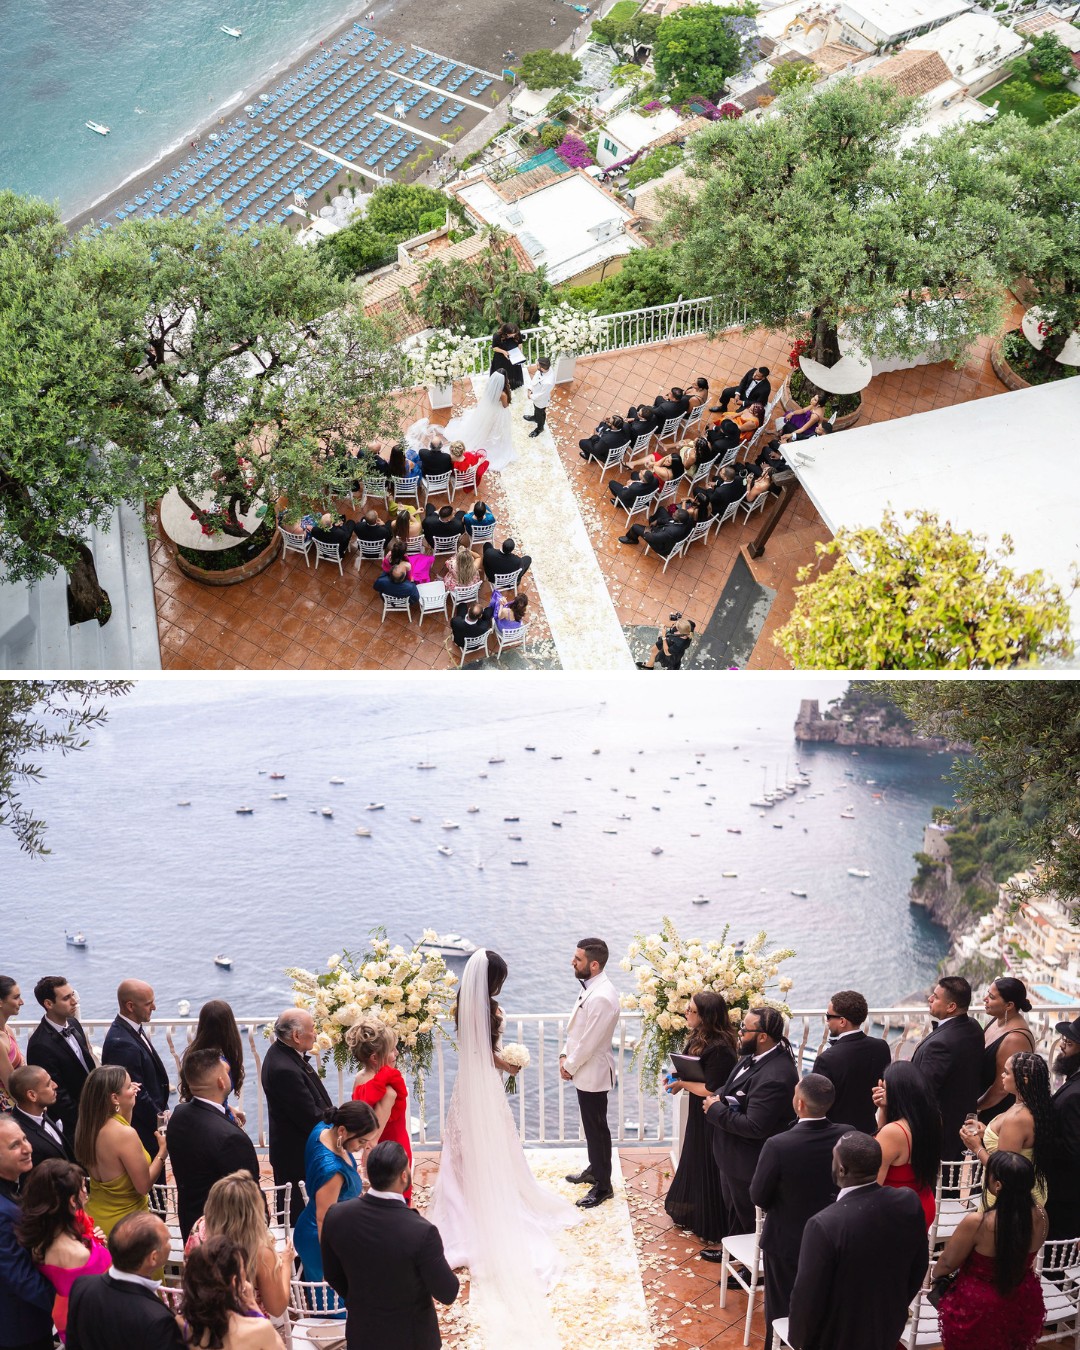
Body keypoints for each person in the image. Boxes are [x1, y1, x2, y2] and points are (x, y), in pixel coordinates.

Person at [426, 949, 578, 1347]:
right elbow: (486, 1053)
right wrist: (507, 1065)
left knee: (460, 1150)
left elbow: (472, 1050)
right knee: (489, 1144)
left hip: (468, 1085)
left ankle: (463, 1197)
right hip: (485, 1084)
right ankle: (487, 1198)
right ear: (491, 979)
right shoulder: (489, 1010)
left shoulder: (463, 1004)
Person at [787, 1132, 928, 1350]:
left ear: (841, 1169)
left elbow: (808, 1296)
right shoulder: (908, 1201)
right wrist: (895, 1307)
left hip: (837, 1337)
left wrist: (799, 1342)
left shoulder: (824, 1224)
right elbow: (919, 1266)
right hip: (887, 1326)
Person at [321, 1140, 459, 1350]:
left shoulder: (336, 1215)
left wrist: (360, 1300)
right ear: (404, 1175)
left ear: (368, 1174)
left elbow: (332, 1274)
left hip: (363, 1334)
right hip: (412, 1340)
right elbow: (447, 1292)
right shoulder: (422, 1232)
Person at [749, 1074, 849, 1345]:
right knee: (824, 1305)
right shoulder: (847, 1135)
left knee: (781, 1308)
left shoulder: (778, 1144)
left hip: (786, 1243)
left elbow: (758, 1196)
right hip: (833, 1240)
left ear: (800, 1104)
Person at [933, 1150, 1047, 1350]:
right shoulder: (1041, 1214)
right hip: (1021, 1297)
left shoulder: (978, 1222)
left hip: (978, 1306)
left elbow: (947, 1262)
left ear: (997, 1185)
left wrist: (937, 1276)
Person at [704, 1006, 799, 1237]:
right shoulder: (752, 1055)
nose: (739, 1032)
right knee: (733, 1208)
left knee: (748, 1217)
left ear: (763, 1037)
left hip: (748, 1161)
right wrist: (718, 1095)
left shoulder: (775, 1075)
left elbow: (755, 1126)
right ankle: (732, 1248)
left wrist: (715, 1109)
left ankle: (751, 1270)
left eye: (744, 1029)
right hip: (732, 1156)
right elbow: (732, 1086)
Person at [663, 992, 738, 1242]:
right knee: (694, 1158)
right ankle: (694, 1214)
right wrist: (676, 1079)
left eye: (691, 1010)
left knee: (707, 1162)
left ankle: (712, 1224)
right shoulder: (699, 1036)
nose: (686, 1012)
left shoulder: (721, 1048)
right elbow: (692, 1069)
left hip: (711, 1110)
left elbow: (711, 1088)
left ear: (706, 1015)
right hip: (698, 1109)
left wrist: (683, 1083)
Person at [168, 1048, 261, 1242]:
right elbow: (250, 1196)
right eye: (226, 1072)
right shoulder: (230, 1138)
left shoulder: (179, 1114)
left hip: (190, 1224)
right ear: (221, 1082)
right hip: (224, 1236)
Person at [16, 1159, 111, 1343]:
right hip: (94, 1329)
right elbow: (106, 1296)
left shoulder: (42, 1237)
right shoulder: (77, 1254)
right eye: (83, 1188)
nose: (86, 1193)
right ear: (71, 1200)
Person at [559, 939, 622, 1210]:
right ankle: (595, 1170)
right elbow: (578, 1032)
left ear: (594, 965)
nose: (573, 962)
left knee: (597, 1129)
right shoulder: (592, 987)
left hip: (593, 1071)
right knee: (591, 1126)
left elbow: (590, 1041)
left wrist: (569, 1065)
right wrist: (565, 1054)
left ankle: (604, 1185)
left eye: (578, 959)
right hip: (584, 1069)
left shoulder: (602, 996)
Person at [74, 1066, 167, 1243]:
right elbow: (143, 1186)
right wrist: (162, 1152)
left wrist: (128, 1104)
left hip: (96, 1220)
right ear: (114, 1098)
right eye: (128, 1086)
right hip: (128, 1226)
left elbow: (122, 1123)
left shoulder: (88, 1127)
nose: (134, 1089)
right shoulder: (125, 1134)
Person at [65, 1212, 185, 1350]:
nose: (170, 1242)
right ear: (153, 1258)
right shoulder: (158, 1320)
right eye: (167, 1240)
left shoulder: (82, 1285)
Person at [293, 1102, 379, 1289]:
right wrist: (331, 1263)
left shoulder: (323, 1129)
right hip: (320, 1240)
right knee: (336, 1304)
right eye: (362, 1141)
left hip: (315, 1225)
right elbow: (324, 1219)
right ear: (342, 1131)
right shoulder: (333, 1172)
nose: (363, 1147)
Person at [185, 1172, 291, 1321]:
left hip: (204, 1319)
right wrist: (286, 1262)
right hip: (245, 1328)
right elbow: (277, 1308)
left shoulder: (200, 1225)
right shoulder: (259, 1251)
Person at [260, 1008, 332, 1224]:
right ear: (297, 1036)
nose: (316, 1034)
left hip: (294, 1151)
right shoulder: (284, 1069)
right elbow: (309, 1116)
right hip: (296, 1155)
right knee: (301, 1217)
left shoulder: (282, 1053)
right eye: (312, 1029)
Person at [959, 1051, 1052, 1206]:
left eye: (1007, 1072)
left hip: (1008, 1200)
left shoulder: (1017, 1119)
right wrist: (987, 1132)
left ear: (1024, 1080)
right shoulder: (1033, 1106)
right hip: (1029, 1189)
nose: (1002, 1075)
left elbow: (1003, 1171)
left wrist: (976, 1148)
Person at [911, 976, 984, 1162]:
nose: (929, 999)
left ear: (951, 1007)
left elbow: (924, 1088)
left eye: (935, 997)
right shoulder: (974, 1026)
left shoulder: (940, 1044)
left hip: (940, 1124)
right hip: (960, 1117)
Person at [0, 1115, 55, 1350]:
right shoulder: (3, 1214)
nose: (27, 1148)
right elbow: (21, 1278)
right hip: (20, 1330)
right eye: (15, 1145)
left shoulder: (12, 1189)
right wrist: (70, 1303)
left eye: (24, 1138)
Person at [100, 980, 171, 1159]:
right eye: (148, 1004)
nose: (154, 1007)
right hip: (143, 1130)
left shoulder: (131, 1030)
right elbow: (135, 1092)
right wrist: (160, 1122)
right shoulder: (122, 1043)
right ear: (130, 1006)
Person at [347, 1018, 413, 1205]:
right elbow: (372, 1140)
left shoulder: (360, 1078)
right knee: (396, 1200)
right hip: (392, 1152)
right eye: (392, 1050)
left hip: (378, 1151)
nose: (397, 1053)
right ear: (375, 1057)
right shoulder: (388, 1091)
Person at [180, 1236, 284, 1349]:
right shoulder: (258, 1329)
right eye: (243, 1269)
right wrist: (255, 1309)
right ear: (235, 1282)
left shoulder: (183, 1324)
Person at [872, 1060, 941, 1230]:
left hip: (897, 1211)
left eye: (886, 1088)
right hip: (923, 1203)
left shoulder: (893, 1133)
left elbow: (873, 1184)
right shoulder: (933, 1118)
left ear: (898, 1094)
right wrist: (884, 1109)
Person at [812, 990, 891, 1134]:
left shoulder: (827, 1059)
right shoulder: (881, 1047)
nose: (827, 1021)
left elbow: (815, 1106)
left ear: (842, 1021)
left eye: (829, 1016)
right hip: (869, 1130)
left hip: (836, 1136)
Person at [26, 976, 93, 1138]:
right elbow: (58, 1097)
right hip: (74, 1125)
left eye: (73, 995)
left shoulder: (73, 1023)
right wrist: (86, 1122)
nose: (74, 1001)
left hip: (93, 1108)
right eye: (66, 998)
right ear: (48, 1004)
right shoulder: (40, 1045)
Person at [977, 977, 1035, 1122]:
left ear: (1009, 1005)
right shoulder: (997, 1019)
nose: (985, 999)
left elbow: (1001, 1089)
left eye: (991, 997)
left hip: (997, 1111)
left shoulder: (1015, 1039)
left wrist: (976, 1107)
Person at [178, 1000, 246, 1122]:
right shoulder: (220, 1065)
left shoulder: (194, 1055)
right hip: (216, 1121)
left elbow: (204, 1097)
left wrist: (229, 1108)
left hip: (200, 1117)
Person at [1046, 1015, 1080, 1238]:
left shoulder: (1074, 1096)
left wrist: (1039, 1135)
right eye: (1063, 1039)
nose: (1061, 1046)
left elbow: (1072, 1148)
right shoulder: (1073, 1081)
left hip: (1064, 1192)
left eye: (1068, 1043)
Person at [443, 371, 514, 470]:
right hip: (498, 412)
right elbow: (505, 405)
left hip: (489, 410)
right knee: (497, 428)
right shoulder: (502, 394)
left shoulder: (490, 386)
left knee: (486, 426)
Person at [9, 1066, 76, 1166]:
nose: (55, 1085)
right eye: (48, 1084)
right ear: (32, 1095)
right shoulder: (22, 1137)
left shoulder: (40, 1111)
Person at [619, 505, 692, 554]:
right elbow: (670, 521)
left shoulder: (670, 531)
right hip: (669, 531)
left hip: (662, 545)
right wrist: (657, 521)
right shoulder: (688, 519)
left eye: (675, 515)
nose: (672, 513)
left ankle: (632, 539)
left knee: (635, 527)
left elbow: (653, 538)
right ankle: (652, 520)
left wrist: (647, 530)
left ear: (679, 520)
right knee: (661, 509)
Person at [0, 976, 25, 1112]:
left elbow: (22, 1064)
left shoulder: (7, 1029)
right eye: (16, 997)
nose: (21, 1002)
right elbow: (10, 1084)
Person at [489, 322, 524, 399]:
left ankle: (513, 384)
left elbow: (520, 343)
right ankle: (501, 386)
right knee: (502, 372)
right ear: (505, 332)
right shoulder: (497, 336)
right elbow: (495, 348)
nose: (512, 336)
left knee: (513, 371)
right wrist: (504, 352)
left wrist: (518, 351)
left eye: (514, 334)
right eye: (510, 334)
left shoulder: (517, 333)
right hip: (501, 358)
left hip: (513, 357)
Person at [523, 358, 555, 438]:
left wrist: (531, 396)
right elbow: (535, 378)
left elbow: (542, 394)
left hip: (541, 400)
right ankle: (535, 417)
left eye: (537, 365)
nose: (536, 366)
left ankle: (540, 428)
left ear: (542, 368)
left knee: (540, 413)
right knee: (536, 409)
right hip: (535, 394)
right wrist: (530, 388)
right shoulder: (542, 370)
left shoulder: (548, 382)